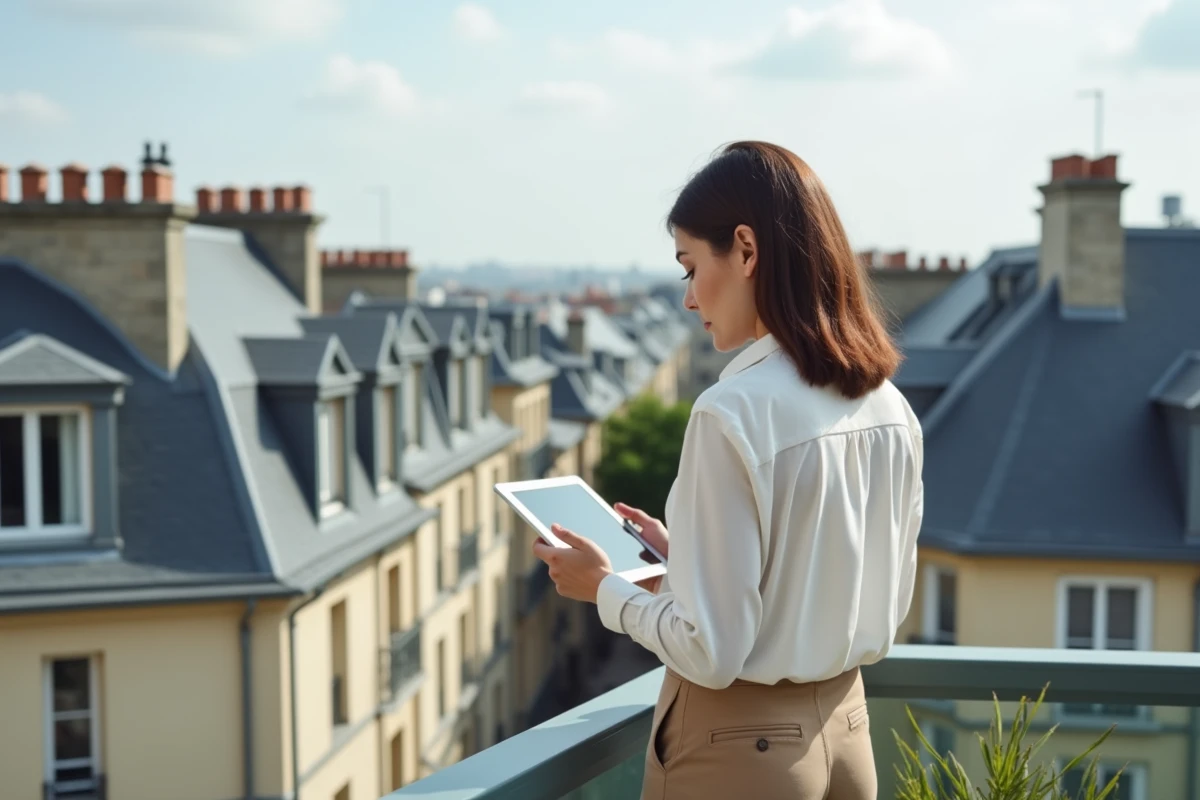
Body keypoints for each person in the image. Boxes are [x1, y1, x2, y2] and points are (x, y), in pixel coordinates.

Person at [533, 140, 924, 800]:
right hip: (848, 729)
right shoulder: (889, 406)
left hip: (740, 751)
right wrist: (683, 560)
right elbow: (841, 586)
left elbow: (709, 652)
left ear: (745, 250)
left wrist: (603, 587)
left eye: (690, 267)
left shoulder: (732, 412)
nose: (688, 297)